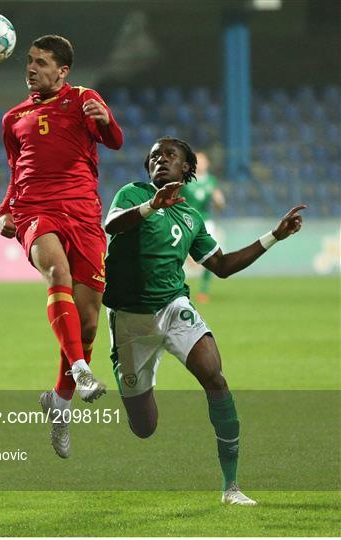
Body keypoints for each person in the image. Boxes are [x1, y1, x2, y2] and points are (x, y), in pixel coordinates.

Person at [103, 136, 305, 505]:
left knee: (215, 376)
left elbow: (222, 266)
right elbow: (112, 226)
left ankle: (231, 487)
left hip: (172, 306)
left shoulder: (191, 217)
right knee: (144, 427)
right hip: (129, 321)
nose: (160, 160)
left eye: (169, 155)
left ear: (186, 167)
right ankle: (132, 376)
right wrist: (151, 206)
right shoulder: (132, 195)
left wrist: (274, 236)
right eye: (153, 157)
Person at [0, 35, 123, 459]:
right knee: (57, 273)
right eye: (29, 61)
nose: (31, 68)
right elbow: (17, 171)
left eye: (42, 62)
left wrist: (104, 119)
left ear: (62, 71)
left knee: (88, 322)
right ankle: (82, 370)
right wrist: (6, 209)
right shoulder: (13, 117)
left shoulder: (84, 98)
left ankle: (60, 402)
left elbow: (115, 141)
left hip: (84, 214)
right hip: (37, 210)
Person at [182, 151, 225, 303]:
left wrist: (219, 201)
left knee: (213, 255)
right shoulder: (186, 180)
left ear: (207, 163)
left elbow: (219, 201)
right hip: (187, 220)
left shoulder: (211, 181)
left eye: (203, 160)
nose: (200, 163)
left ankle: (203, 291)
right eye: (197, 161)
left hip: (205, 221)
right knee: (178, 254)